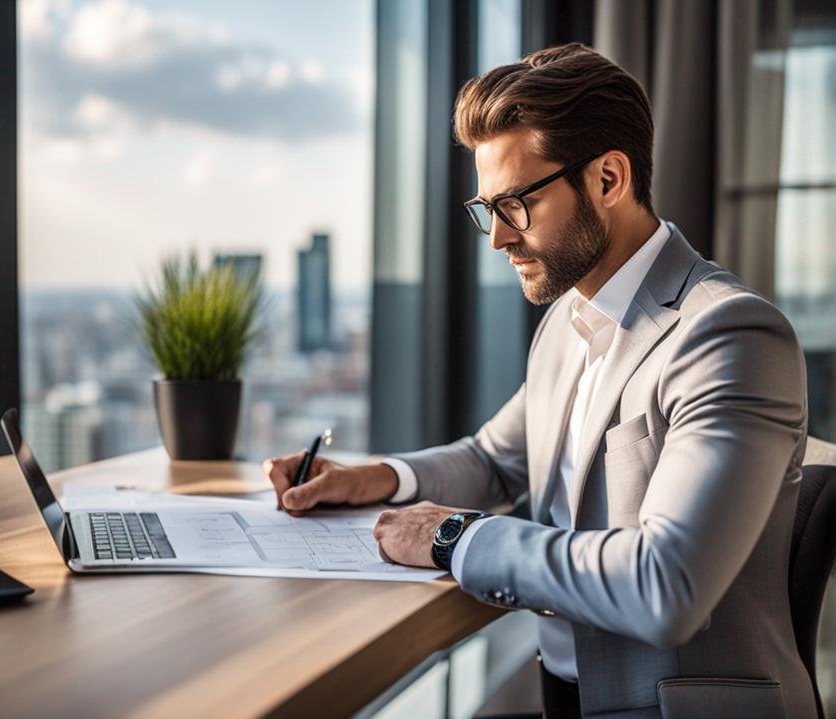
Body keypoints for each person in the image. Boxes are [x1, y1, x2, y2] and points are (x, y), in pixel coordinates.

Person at [263, 43, 815, 719]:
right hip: (562, 695)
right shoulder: (568, 320)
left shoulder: (728, 334)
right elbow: (494, 459)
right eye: (487, 208)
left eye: (516, 204)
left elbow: (664, 585)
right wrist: (373, 478)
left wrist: (455, 537)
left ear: (608, 179)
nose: (498, 239)